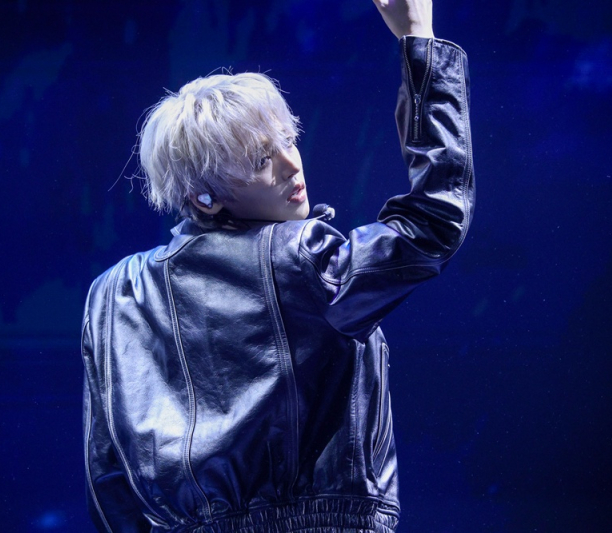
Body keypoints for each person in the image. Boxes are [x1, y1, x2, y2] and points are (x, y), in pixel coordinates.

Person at [81, 1, 474, 531]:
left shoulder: (112, 293)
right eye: (261, 159)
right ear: (203, 197)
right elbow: (433, 222)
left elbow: (108, 479)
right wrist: (421, 43)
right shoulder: (298, 258)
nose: (293, 163)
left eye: (289, 140)